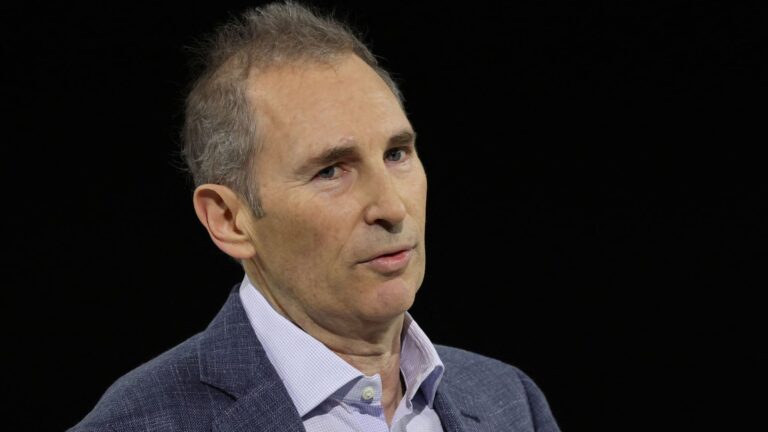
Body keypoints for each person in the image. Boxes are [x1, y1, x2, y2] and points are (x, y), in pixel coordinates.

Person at [69, 2, 560, 431]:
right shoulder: (138, 422)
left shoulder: (508, 399)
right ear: (230, 220)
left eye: (396, 154)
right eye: (330, 171)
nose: (392, 208)